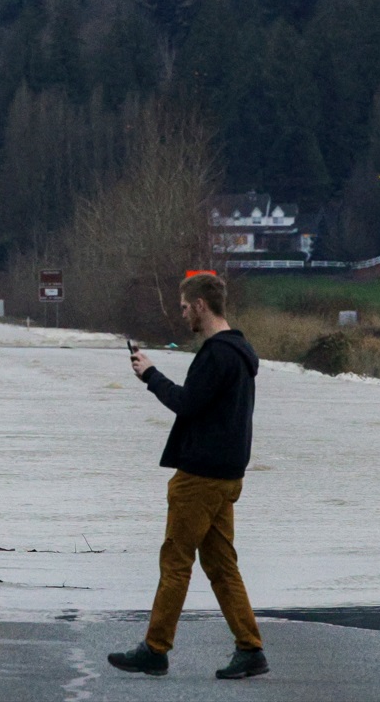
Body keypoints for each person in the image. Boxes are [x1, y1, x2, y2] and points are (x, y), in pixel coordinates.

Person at [108, 272, 269, 680]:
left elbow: (186, 403)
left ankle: (155, 649)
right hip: (228, 476)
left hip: (199, 477)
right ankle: (249, 649)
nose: (182, 316)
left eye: (184, 307)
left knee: (176, 561)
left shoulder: (215, 354)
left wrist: (150, 375)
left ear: (200, 305)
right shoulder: (242, 351)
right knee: (221, 565)